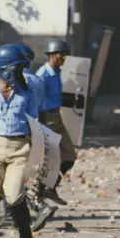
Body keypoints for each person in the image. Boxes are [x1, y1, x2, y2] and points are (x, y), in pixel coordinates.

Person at [0, 44, 40, 238]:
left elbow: (35, 123)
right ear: (6, 69)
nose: (21, 72)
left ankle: (24, 227)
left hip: (19, 149)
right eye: (19, 68)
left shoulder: (27, 93)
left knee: (13, 196)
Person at [14, 44, 58, 231]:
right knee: (27, 174)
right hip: (35, 129)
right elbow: (42, 110)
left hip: (14, 134)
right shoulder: (38, 80)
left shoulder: (10, 82)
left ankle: (37, 207)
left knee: (15, 177)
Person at [35, 39, 77, 206]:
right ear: (51, 55)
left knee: (69, 157)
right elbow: (36, 100)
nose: (63, 58)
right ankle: (37, 197)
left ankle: (49, 188)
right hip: (46, 119)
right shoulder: (42, 75)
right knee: (47, 160)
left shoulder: (58, 71)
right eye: (61, 55)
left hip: (56, 117)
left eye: (65, 55)